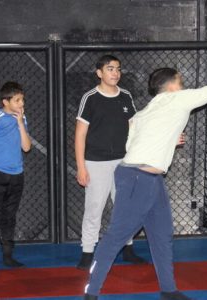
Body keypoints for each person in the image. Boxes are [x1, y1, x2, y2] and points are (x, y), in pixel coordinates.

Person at [83, 61, 207, 300]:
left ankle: (169, 290)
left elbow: (132, 145)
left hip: (150, 179)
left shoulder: (145, 112)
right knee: (116, 237)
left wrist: (169, 141)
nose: (183, 87)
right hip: (138, 178)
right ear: (172, 84)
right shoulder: (177, 99)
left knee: (162, 234)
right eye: (181, 82)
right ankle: (91, 292)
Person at [75, 54, 146, 269]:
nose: (115, 73)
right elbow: (80, 135)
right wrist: (81, 167)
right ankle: (88, 252)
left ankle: (128, 248)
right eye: (110, 69)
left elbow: (135, 127)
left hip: (123, 162)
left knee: (124, 207)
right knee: (94, 207)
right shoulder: (90, 98)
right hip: (96, 162)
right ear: (99, 73)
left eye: (117, 69)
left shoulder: (125, 96)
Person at [0, 81, 32, 277]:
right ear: (5, 101)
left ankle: (8, 256)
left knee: (10, 217)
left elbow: (26, 147)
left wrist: (19, 123)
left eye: (22, 100)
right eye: (17, 100)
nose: (21, 104)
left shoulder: (22, 118)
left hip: (17, 175)